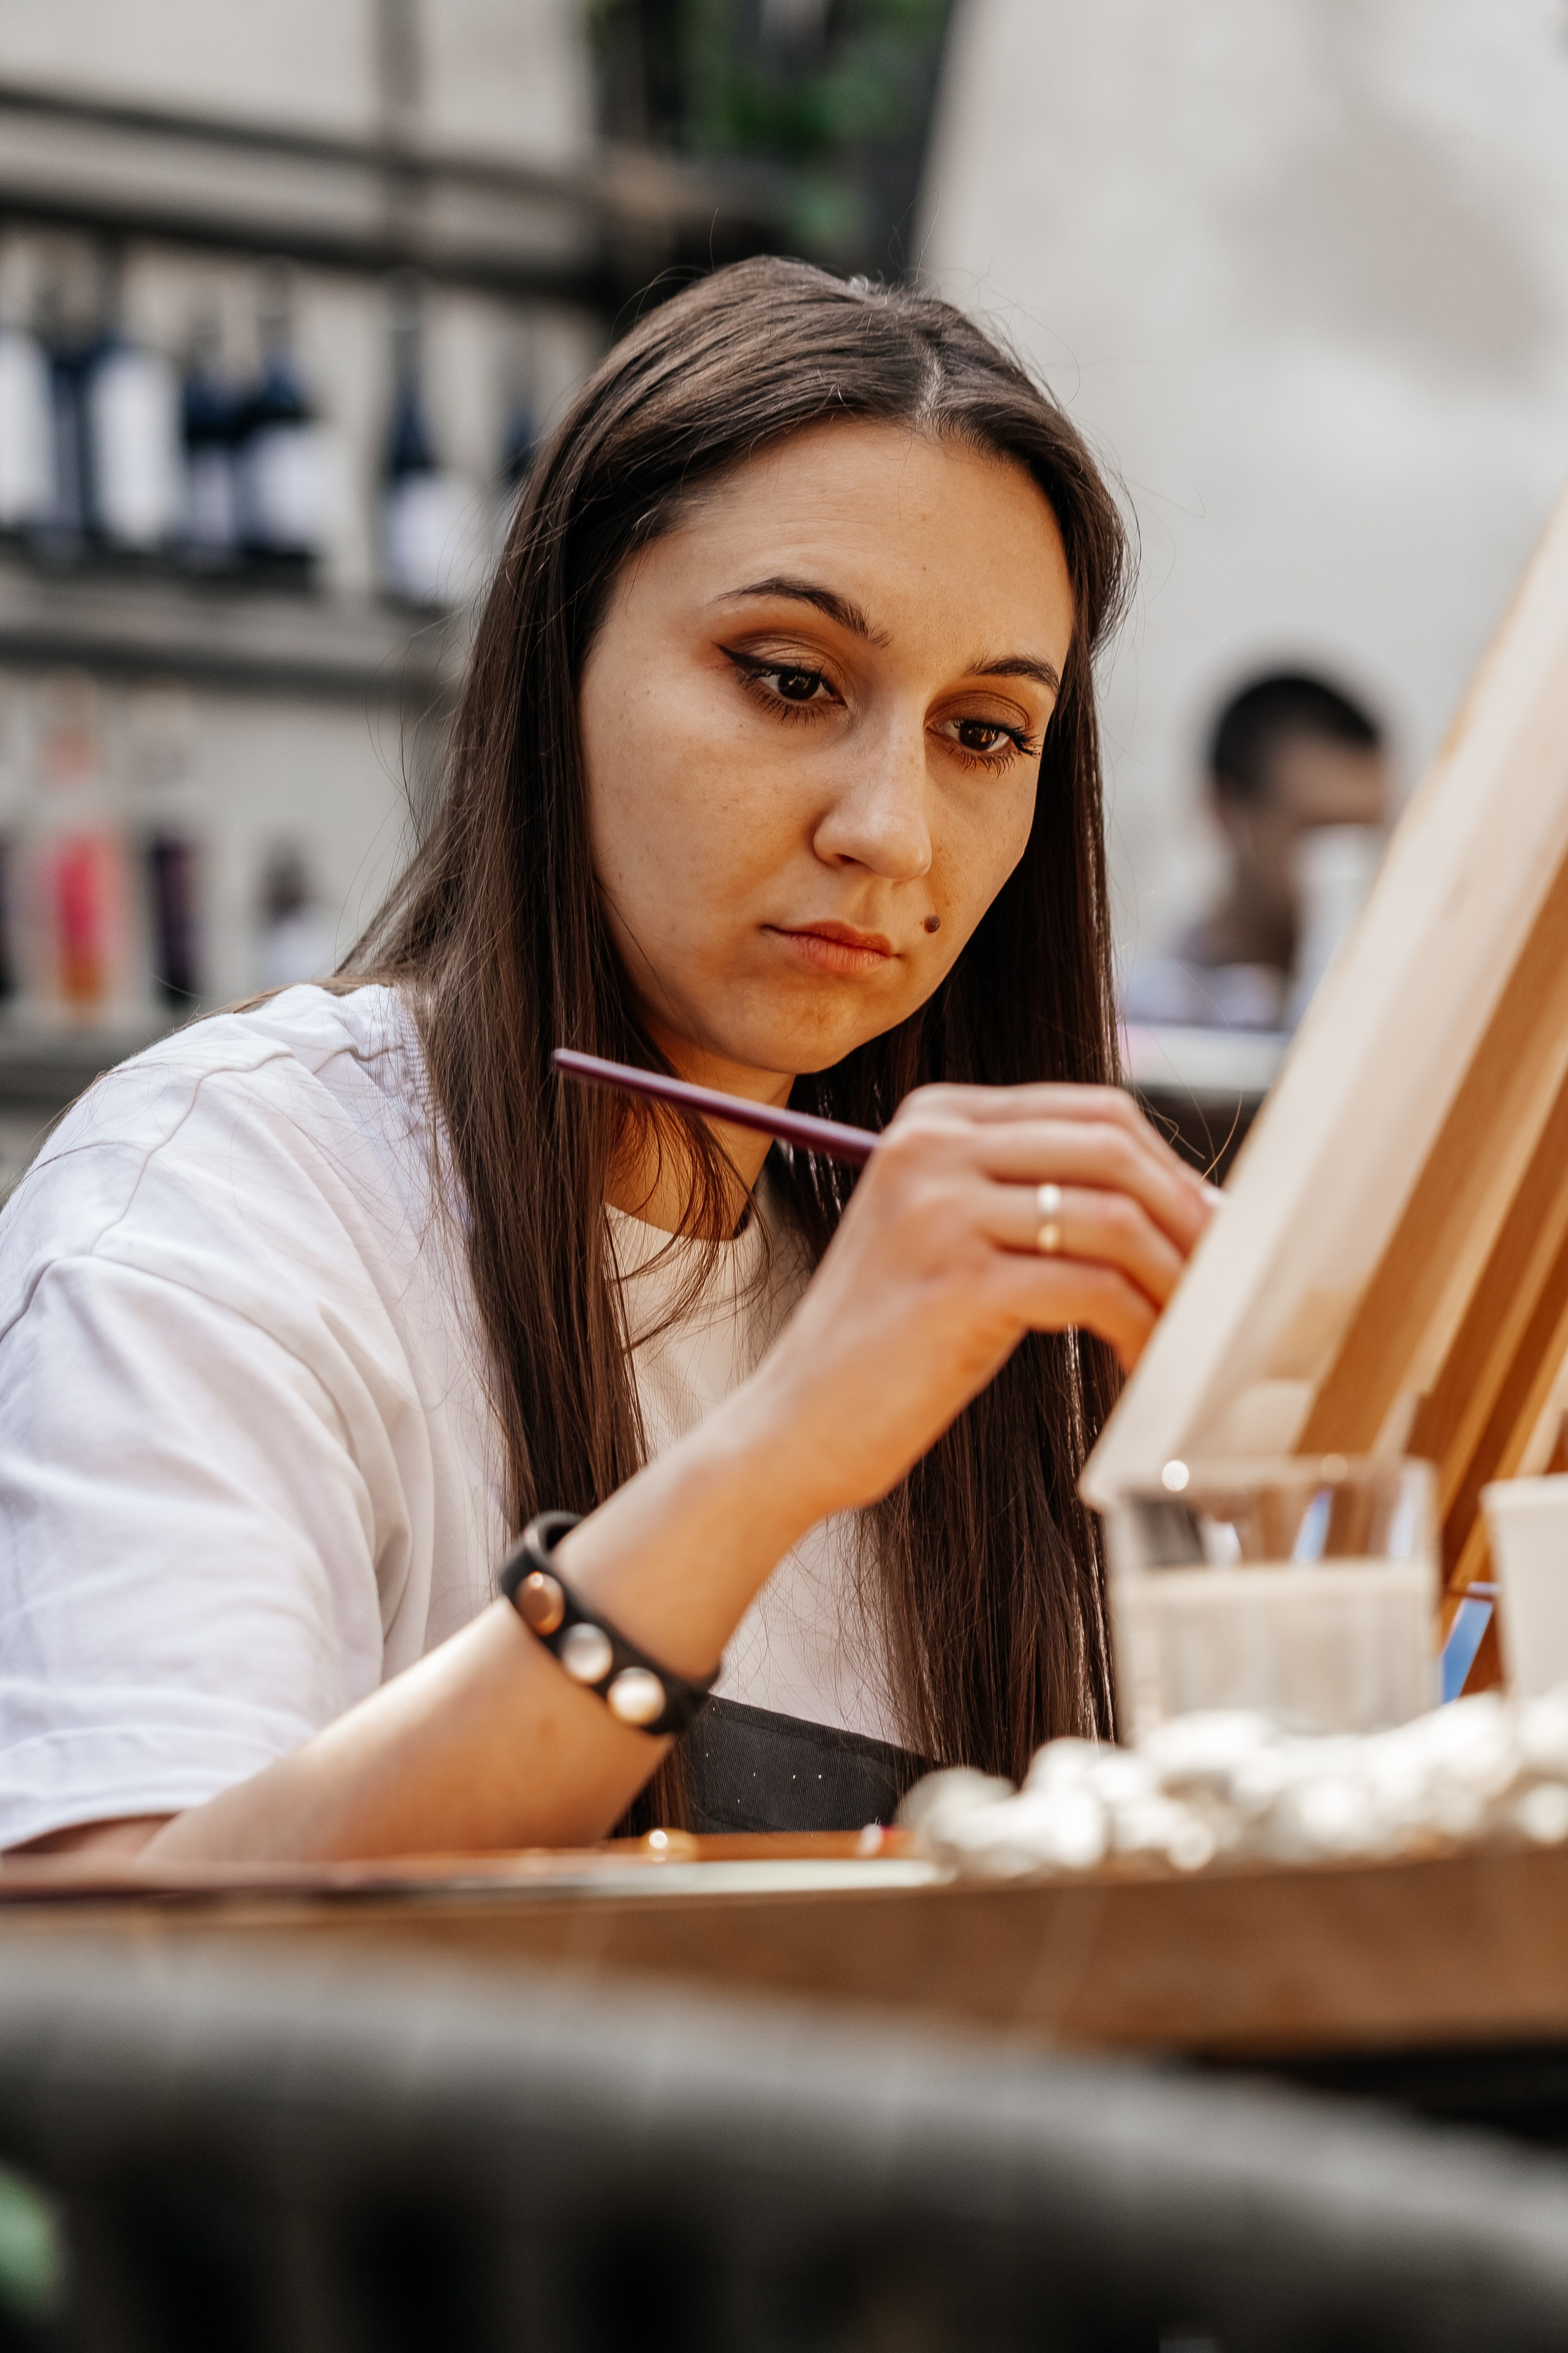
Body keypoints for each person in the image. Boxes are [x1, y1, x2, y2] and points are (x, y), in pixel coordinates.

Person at [0, 259, 1215, 1864]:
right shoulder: (228, 1202)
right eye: (790, 681)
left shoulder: (1015, 1337)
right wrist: (779, 1452)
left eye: (984, 733)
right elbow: (108, 1975)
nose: (891, 834)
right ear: (556, 657)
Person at [1124, 672, 1390, 1031]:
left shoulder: (1400, 1005)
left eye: (1372, 835)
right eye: (1321, 833)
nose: (1353, 861)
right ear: (1225, 813)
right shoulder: (1144, 1012)